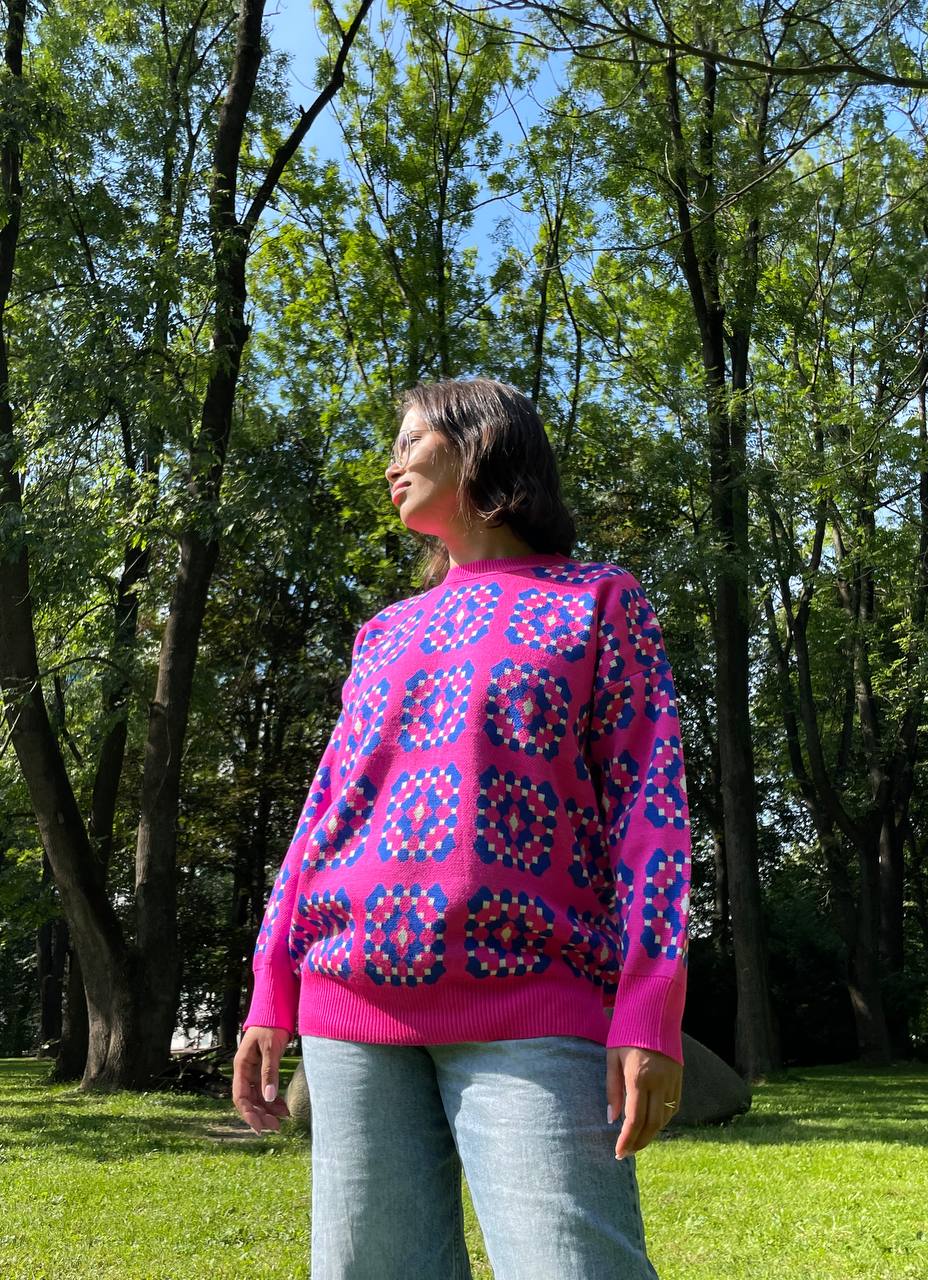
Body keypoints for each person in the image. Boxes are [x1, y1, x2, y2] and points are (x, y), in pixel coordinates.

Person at [232, 377, 691, 1280]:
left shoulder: (599, 599)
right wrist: (270, 986)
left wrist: (650, 1005)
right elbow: (326, 810)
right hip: (350, 1004)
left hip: (535, 1001)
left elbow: (653, 808)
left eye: (410, 442)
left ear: (479, 444)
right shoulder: (383, 632)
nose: (391, 466)